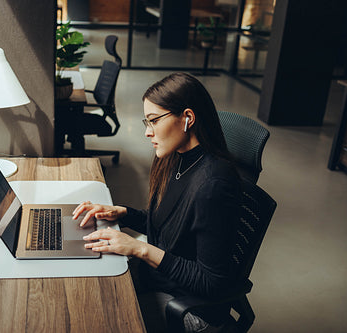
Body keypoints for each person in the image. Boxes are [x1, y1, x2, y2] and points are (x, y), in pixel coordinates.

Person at [72, 72, 241, 332]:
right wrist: (123, 213)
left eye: (153, 121)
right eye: (146, 122)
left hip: (191, 307)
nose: (147, 133)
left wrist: (139, 249)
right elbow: (171, 224)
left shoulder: (213, 185)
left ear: (188, 118)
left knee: (96, 314)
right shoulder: (176, 158)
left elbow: (212, 283)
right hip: (159, 278)